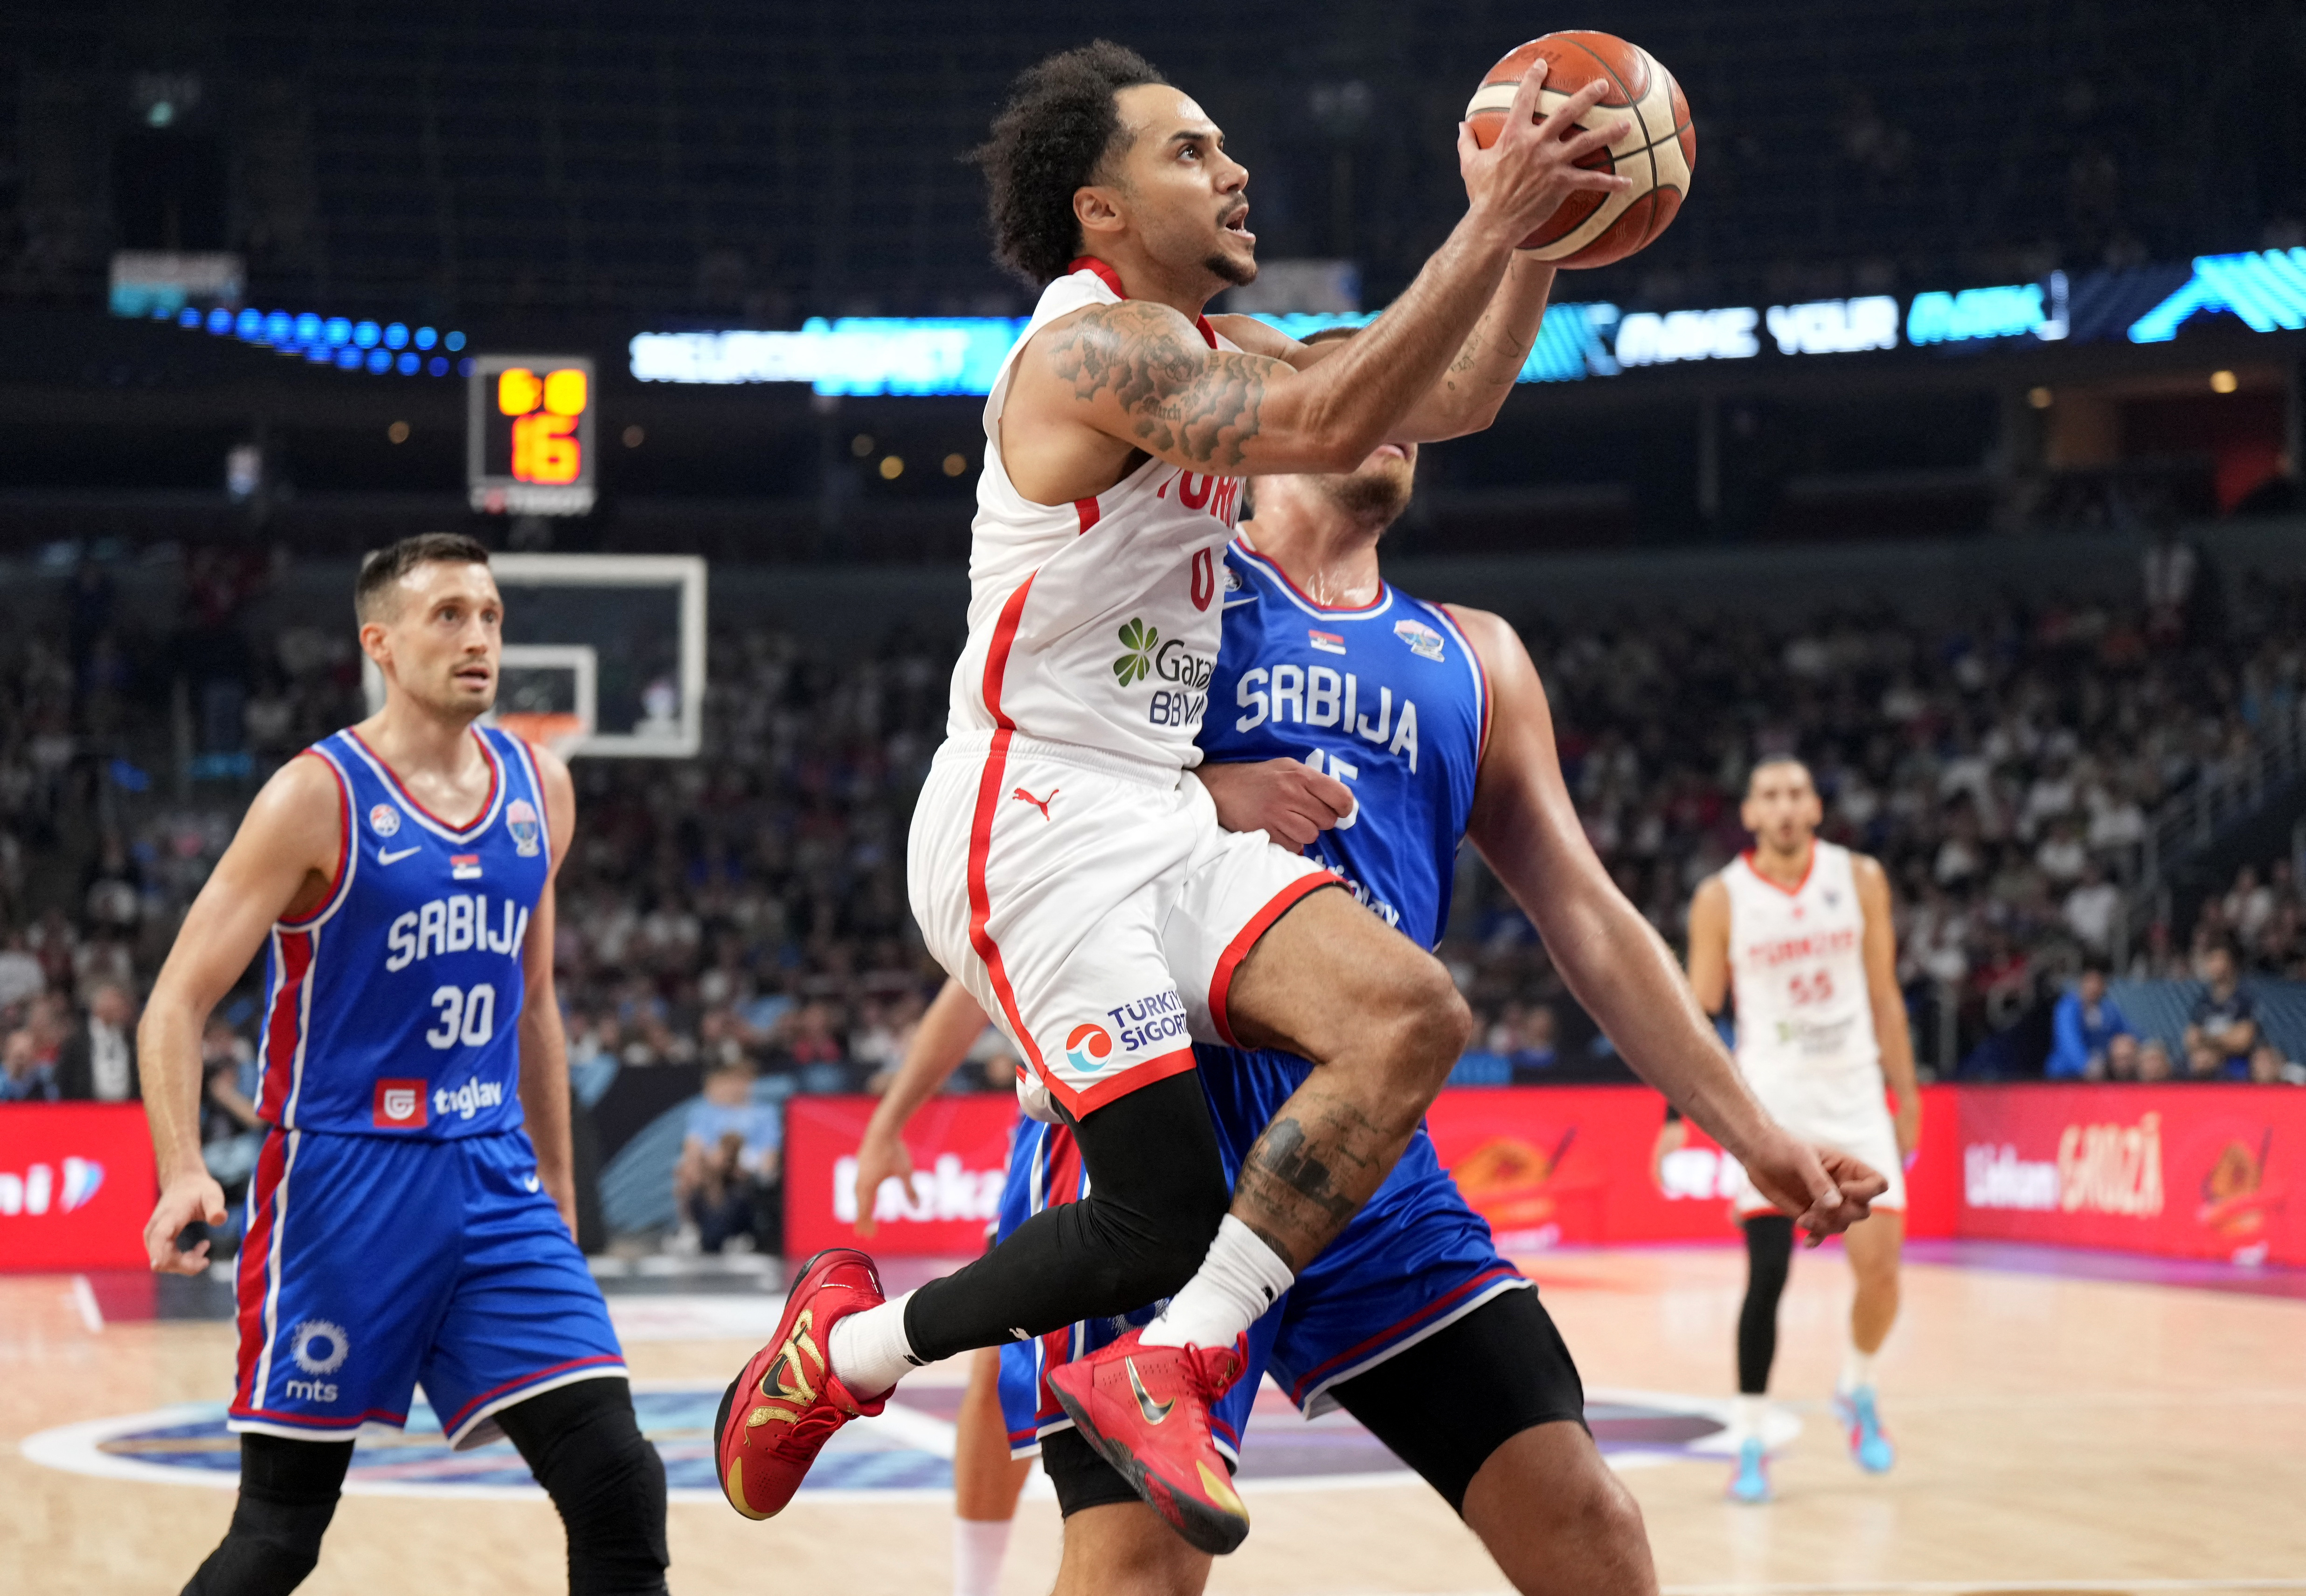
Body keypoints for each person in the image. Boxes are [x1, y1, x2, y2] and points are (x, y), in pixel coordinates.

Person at [714, 39, 1777, 1555]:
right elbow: (1339, 424)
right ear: (1101, 209)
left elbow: (1445, 395)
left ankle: (1169, 1354)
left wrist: (1535, 235)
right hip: (1026, 818)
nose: (1233, 172)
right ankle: (853, 1357)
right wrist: (1485, 224)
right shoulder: (1088, 356)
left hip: (1144, 808)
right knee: (1149, 1212)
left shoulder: (1222, 346)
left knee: (1413, 1015)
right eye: (1190, 154)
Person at [845, 436, 1885, 1596]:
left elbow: (1586, 913)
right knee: (1135, 1573)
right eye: (1360, 383)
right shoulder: (1172, 599)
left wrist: (1752, 1132)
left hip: (1366, 1155)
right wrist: (1195, 798)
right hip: (1164, 1127)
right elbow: (1031, 834)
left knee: (1590, 1529)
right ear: (1278, 430)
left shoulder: (1474, 655)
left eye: (1408, 404)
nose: (1395, 411)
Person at [137, 534, 668, 1596]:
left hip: (491, 1177)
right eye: (449, 616)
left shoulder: (539, 787)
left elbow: (535, 1009)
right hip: (343, 1185)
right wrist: (182, 1167)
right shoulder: (315, 796)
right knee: (280, 1536)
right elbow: (176, 1002)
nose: (479, 638)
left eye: (490, 615)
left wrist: (559, 1190)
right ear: (379, 642)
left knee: (617, 1475)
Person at [1683, 758, 1922, 1504]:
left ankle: (1854, 1385)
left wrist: (1905, 1090)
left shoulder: (1860, 878)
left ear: (1816, 805)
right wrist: (1675, 1117)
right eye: (1769, 796)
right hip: (1772, 1099)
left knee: (1881, 1272)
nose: (1784, 807)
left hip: (1854, 1087)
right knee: (1768, 1274)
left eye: (1796, 793)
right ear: (1750, 814)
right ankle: (1750, 1436)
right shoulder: (1721, 896)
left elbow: (1884, 991)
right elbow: (1697, 1013)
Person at [674, 1059, 782, 1254]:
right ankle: (692, 1228)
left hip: (748, 1164)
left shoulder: (764, 1112)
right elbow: (693, 1146)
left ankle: (736, 1228)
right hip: (712, 1166)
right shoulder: (702, 1111)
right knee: (690, 1166)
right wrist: (700, 1162)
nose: (735, 1087)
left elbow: (769, 1154)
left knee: (728, 1149)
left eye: (742, 1081)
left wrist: (746, 1162)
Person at [2046, 961, 2133, 1080]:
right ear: (2082, 983)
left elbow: (2126, 1032)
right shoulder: (2068, 1007)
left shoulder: (2109, 1010)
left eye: (2098, 982)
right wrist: (2085, 1065)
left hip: (2099, 1075)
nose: (2094, 987)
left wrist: (2146, 1045)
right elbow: (2069, 1040)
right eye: (2090, 982)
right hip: (2066, 1074)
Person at [56, 980, 140, 1102]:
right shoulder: (77, 1041)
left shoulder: (130, 1040)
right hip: (89, 1110)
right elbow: (65, 1077)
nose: (119, 1007)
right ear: (98, 1005)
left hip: (126, 1110)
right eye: (113, 1002)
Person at [2184, 942, 2257, 1079]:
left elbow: (2243, 1040)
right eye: (2212, 960)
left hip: (2236, 1062)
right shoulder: (2203, 1000)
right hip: (2204, 1059)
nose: (2216, 966)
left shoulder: (2244, 998)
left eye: (2220, 960)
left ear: (2231, 964)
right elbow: (2191, 1039)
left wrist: (2211, 1045)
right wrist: (2222, 1041)